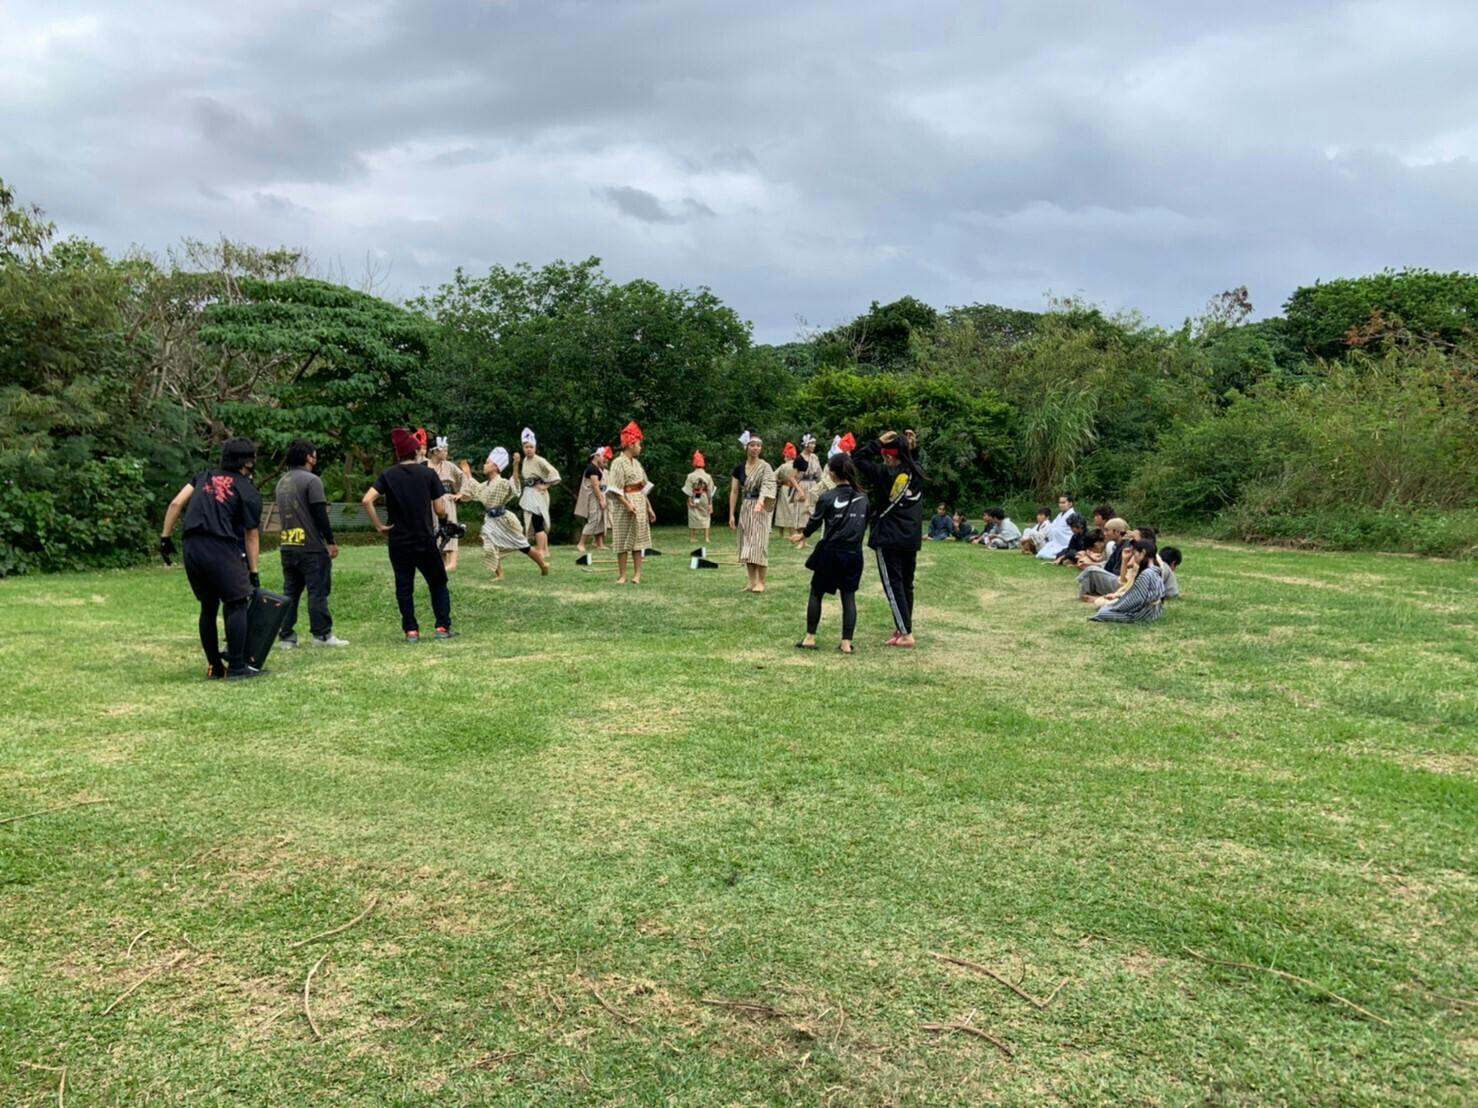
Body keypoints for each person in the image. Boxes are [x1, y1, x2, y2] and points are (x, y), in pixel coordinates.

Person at [159, 437, 266, 679]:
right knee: (237, 602)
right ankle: (237, 668)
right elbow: (251, 535)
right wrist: (254, 572)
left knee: (208, 606)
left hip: (192, 547)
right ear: (248, 463)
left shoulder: (203, 477)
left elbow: (176, 503)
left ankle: (215, 667)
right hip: (220, 546)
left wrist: (165, 537)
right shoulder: (247, 490)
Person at [362, 427, 454, 642]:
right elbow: (440, 508)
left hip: (398, 540)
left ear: (398, 454)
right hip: (423, 538)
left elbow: (367, 500)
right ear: (415, 451)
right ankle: (442, 627)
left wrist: (379, 526)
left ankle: (411, 630)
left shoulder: (388, 475)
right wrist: (444, 520)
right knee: (437, 581)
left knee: (404, 585)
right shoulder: (428, 474)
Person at [791, 453, 869, 654]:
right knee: (848, 596)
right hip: (854, 553)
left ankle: (810, 637)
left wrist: (802, 535)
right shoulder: (863, 498)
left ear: (832, 474)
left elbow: (815, 521)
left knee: (817, 592)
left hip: (831, 552)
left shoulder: (827, 497)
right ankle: (846, 643)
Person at [854, 429, 925, 648]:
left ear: (889, 455)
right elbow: (913, 461)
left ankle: (906, 633)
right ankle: (902, 627)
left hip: (888, 536)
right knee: (906, 584)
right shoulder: (917, 471)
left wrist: (877, 442)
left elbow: (857, 459)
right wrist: (912, 450)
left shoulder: (883, 473)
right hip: (911, 536)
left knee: (893, 586)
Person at [274, 438, 347, 650]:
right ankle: (322, 635)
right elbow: (319, 514)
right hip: (311, 547)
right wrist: (331, 541)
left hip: (288, 544)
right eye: (314, 454)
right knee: (317, 591)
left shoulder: (282, 482)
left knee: (290, 593)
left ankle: (286, 636)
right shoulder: (312, 481)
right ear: (308, 457)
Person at [458, 447, 550, 578]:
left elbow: (514, 483)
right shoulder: (486, 484)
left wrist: (515, 465)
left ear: (496, 467)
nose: (484, 465)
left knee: (523, 546)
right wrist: (467, 474)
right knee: (490, 545)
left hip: (504, 519)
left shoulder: (502, 483)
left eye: (487, 463)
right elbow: (476, 488)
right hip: (491, 520)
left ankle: (543, 564)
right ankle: (499, 574)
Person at [607, 421, 655, 584]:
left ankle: (637, 574)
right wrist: (627, 504)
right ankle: (622, 575)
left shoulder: (637, 464)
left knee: (638, 540)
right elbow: (614, 488)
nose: (640, 447)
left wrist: (649, 507)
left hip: (639, 502)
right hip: (624, 504)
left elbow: (643, 487)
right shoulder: (618, 463)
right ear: (631, 444)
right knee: (622, 539)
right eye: (639, 444)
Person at [729, 431, 778, 592]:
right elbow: (734, 491)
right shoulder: (739, 468)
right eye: (752, 445)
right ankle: (751, 582)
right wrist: (731, 514)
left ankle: (761, 582)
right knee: (748, 545)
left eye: (758, 445)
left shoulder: (765, 467)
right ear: (746, 447)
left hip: (761, 508)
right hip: (746, 508)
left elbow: (768, 486)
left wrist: (761, 501)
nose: (756, 448)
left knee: (759, 544)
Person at [512, 427, 560, 562]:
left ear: (535, 448)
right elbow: (519, 477)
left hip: (538, 494)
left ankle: (541, 550)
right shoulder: (525, 461)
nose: (528, 449)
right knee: (535, 521)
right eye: (526, 447)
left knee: (538, 521)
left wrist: (546, 485)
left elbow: (553, 473)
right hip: (529, 493)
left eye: (531, 447)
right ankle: (545, 549)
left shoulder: (539, 460)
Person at [1089, 539, 1166, 624]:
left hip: (1144, 614)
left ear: (1143, 552)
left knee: (1103, 613)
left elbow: (1136, 600)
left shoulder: (1147, 573)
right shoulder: (1155, 570)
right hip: (1153, 611)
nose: (1134, 557)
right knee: (1106, 607)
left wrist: (1116, 606)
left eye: (1135, 553)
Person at [427, 437, 465, 571]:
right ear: (435, 451)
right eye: (444, 450)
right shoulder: (425, 466)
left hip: (447, 499)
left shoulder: (449, 466)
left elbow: (463, 477)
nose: (446, 452)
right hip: (431, 500)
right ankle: (441, 561)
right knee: (435, 529)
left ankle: (452, 562)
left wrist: (461, 493)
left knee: (450, 527)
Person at [1077, 518, 1130, 597]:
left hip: (1122, 584)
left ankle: (1083, 595)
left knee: (1091, 570)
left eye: (1107, 530)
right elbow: (1108, 565)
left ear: (1117, 532)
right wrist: (1091, 564)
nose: (1105, 534)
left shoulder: (1126, 547)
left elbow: (1117, 572)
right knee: (1092, 568)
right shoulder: (1118, 545)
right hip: (1116, 578)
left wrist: (1094, 567)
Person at [574, 445, 612, 555]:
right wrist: (601, 499)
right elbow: (595, 486)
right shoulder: (592, 468)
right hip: (593, 497)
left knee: (600, 519)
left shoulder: (597, 469)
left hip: (598, 496)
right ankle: (581, 543)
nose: (604, 459)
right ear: (596, 456)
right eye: (603, 457)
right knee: (594, 519)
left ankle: (599, 543)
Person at [682, 451, 717, 545]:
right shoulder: (707, 476)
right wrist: (710, 504)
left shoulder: (690, 476)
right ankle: (706, 538)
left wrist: (689, 500)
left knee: (692, 514)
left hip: (694, 495)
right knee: (706, 515)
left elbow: (688, 490)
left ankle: (692, 537)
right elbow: (710, 491)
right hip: (704, 496)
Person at [772, 443, 803, 538]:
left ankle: (781, 534)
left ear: (787, 456)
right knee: (793, 510)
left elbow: (773, 475)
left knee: (782, 510)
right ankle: (792, 533)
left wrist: (779, 481)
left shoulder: (783, 466)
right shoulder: (798, 465)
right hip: (795, 488)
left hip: (785, 488)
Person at [1035, 494, 1078, 560]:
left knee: (1045, 555)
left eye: (1063, 502)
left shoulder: (1073, 515)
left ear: (1070, 504)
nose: (1061, 505)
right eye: (1060, 503)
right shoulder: (1059, 515)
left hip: (1066, 544)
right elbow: (1052, 527)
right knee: (1040, 554)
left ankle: (1062, 557)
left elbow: (1073, 532)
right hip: (1055, 543)